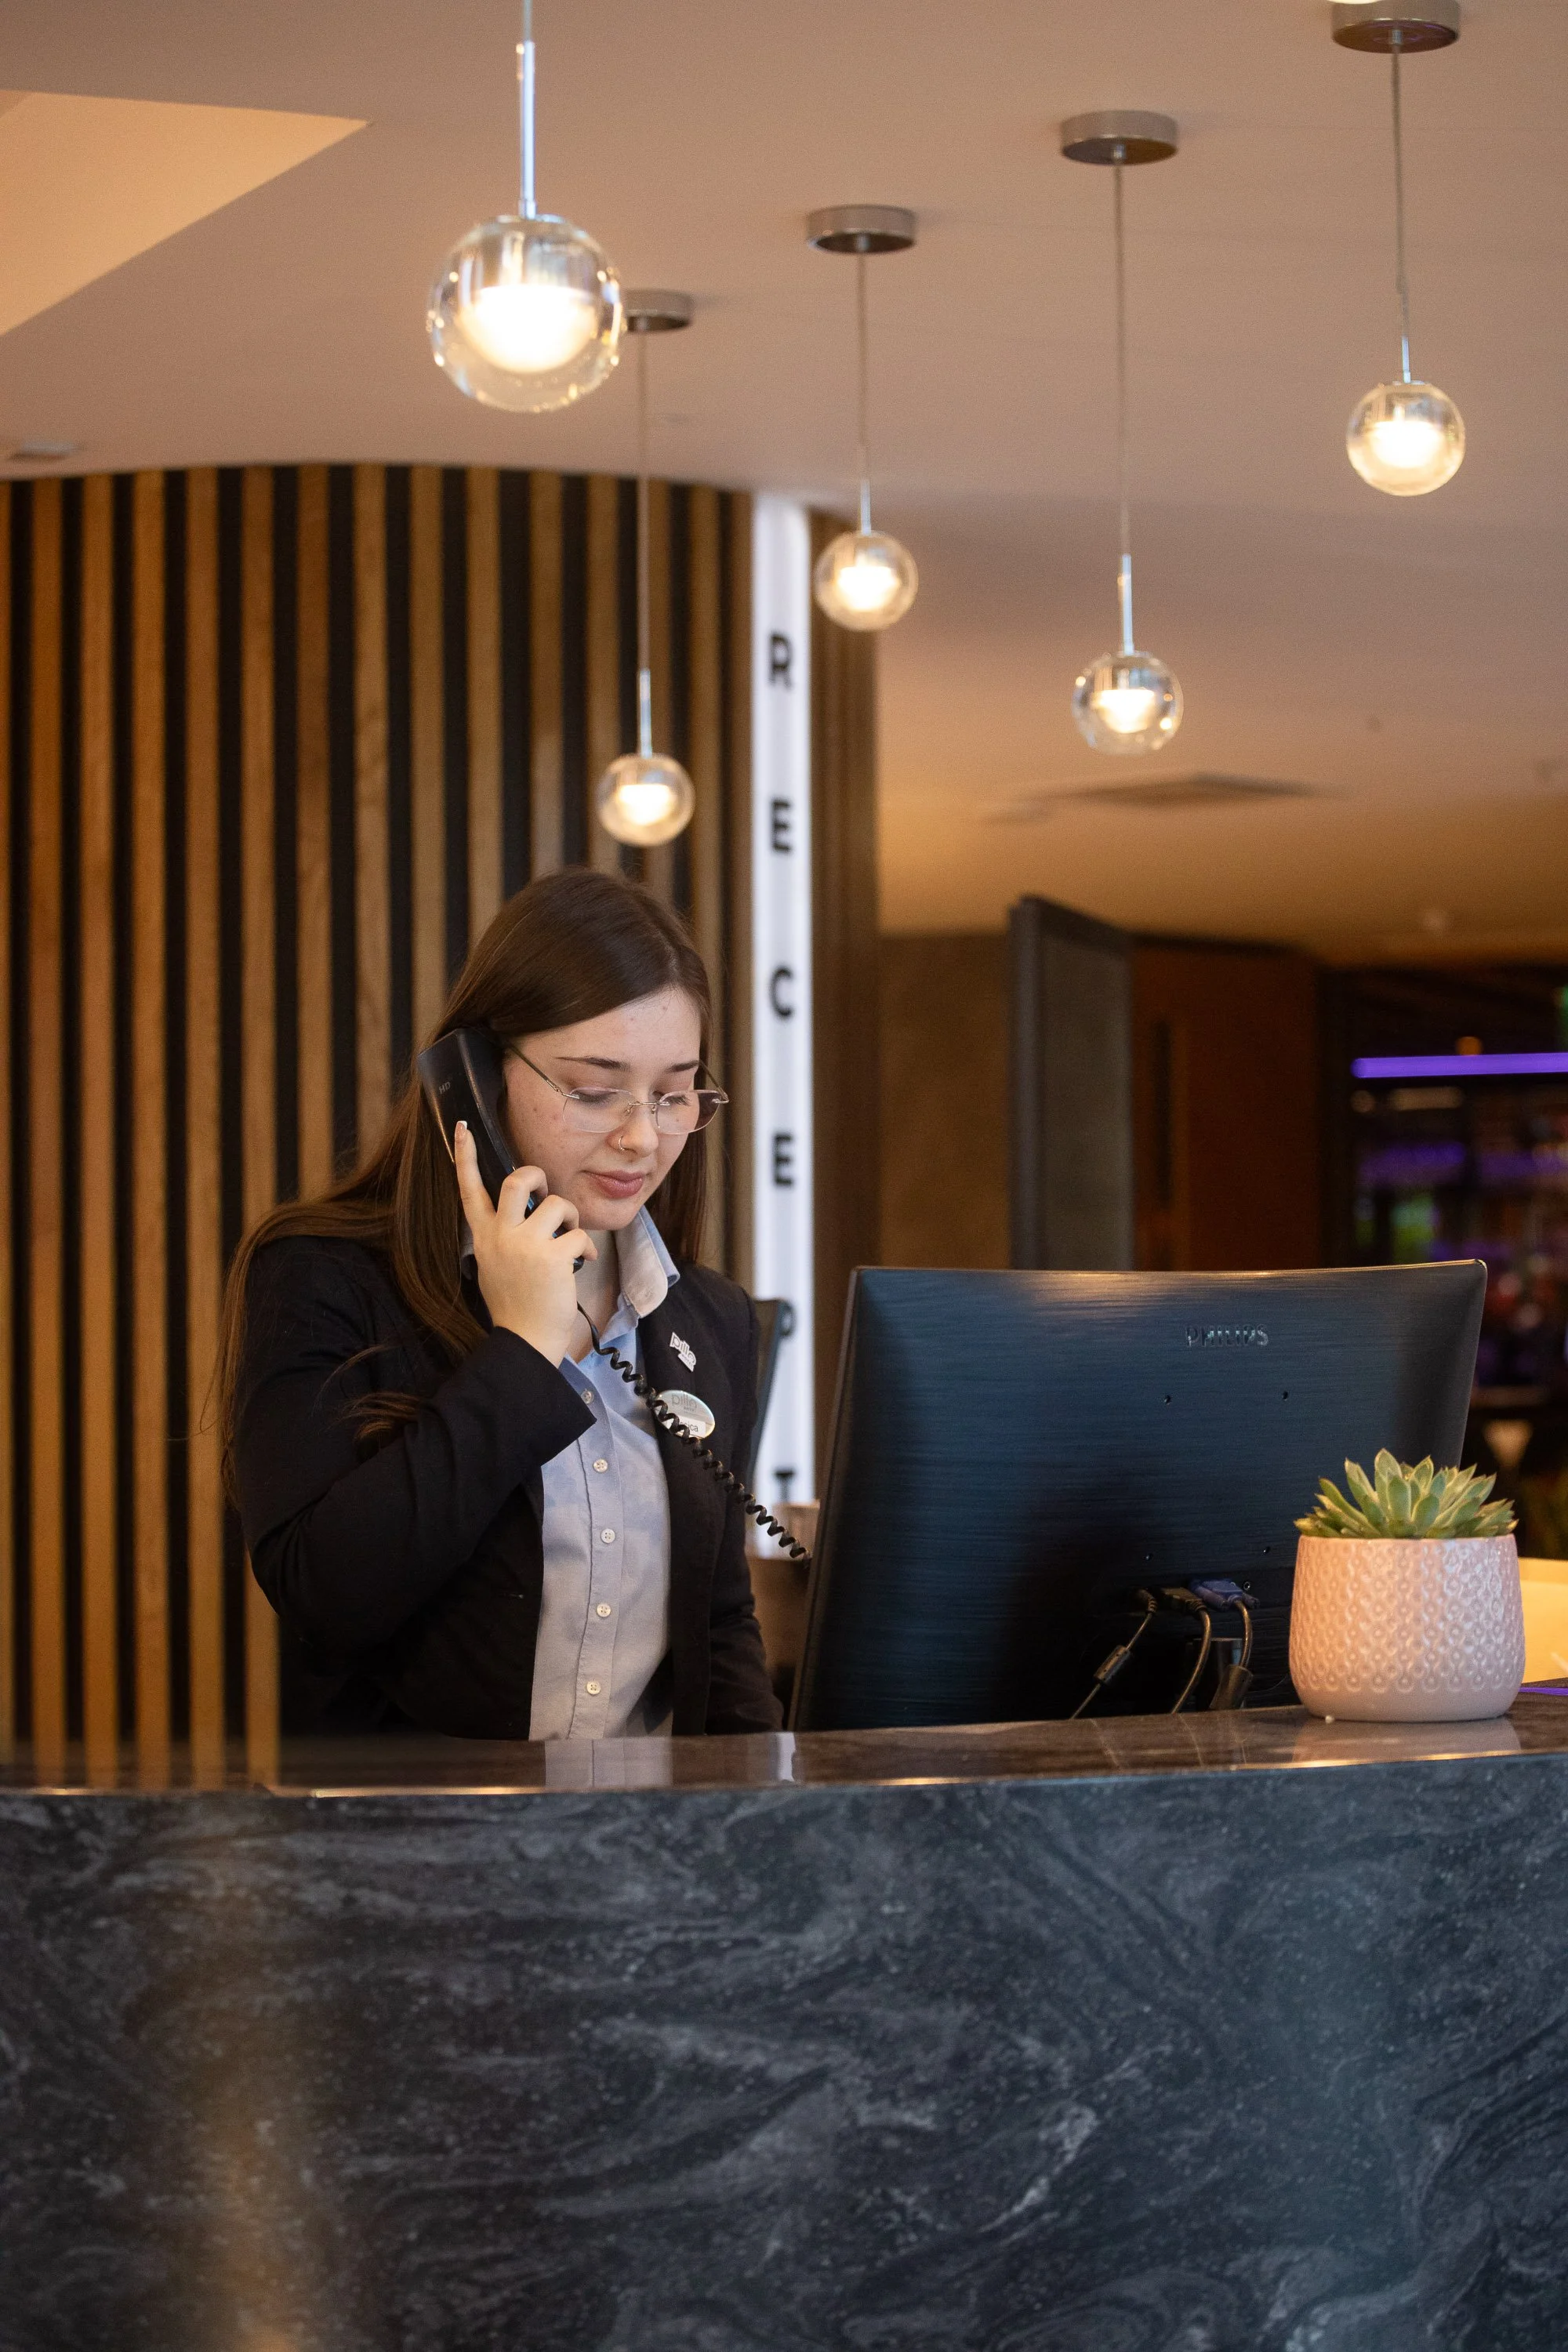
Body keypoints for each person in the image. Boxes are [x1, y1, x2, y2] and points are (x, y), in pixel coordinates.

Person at [218, 867, 781, 1742]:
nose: (640, 1135)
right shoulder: (321, 1276)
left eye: (673, 1094)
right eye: (593, 1090)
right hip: (416, 1851)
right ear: (472, 1079)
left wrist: (776, 1833)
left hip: (654, 1854)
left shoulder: (710, 1321)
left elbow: (717, 1630)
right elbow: (323, 1593)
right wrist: (520, 1349)